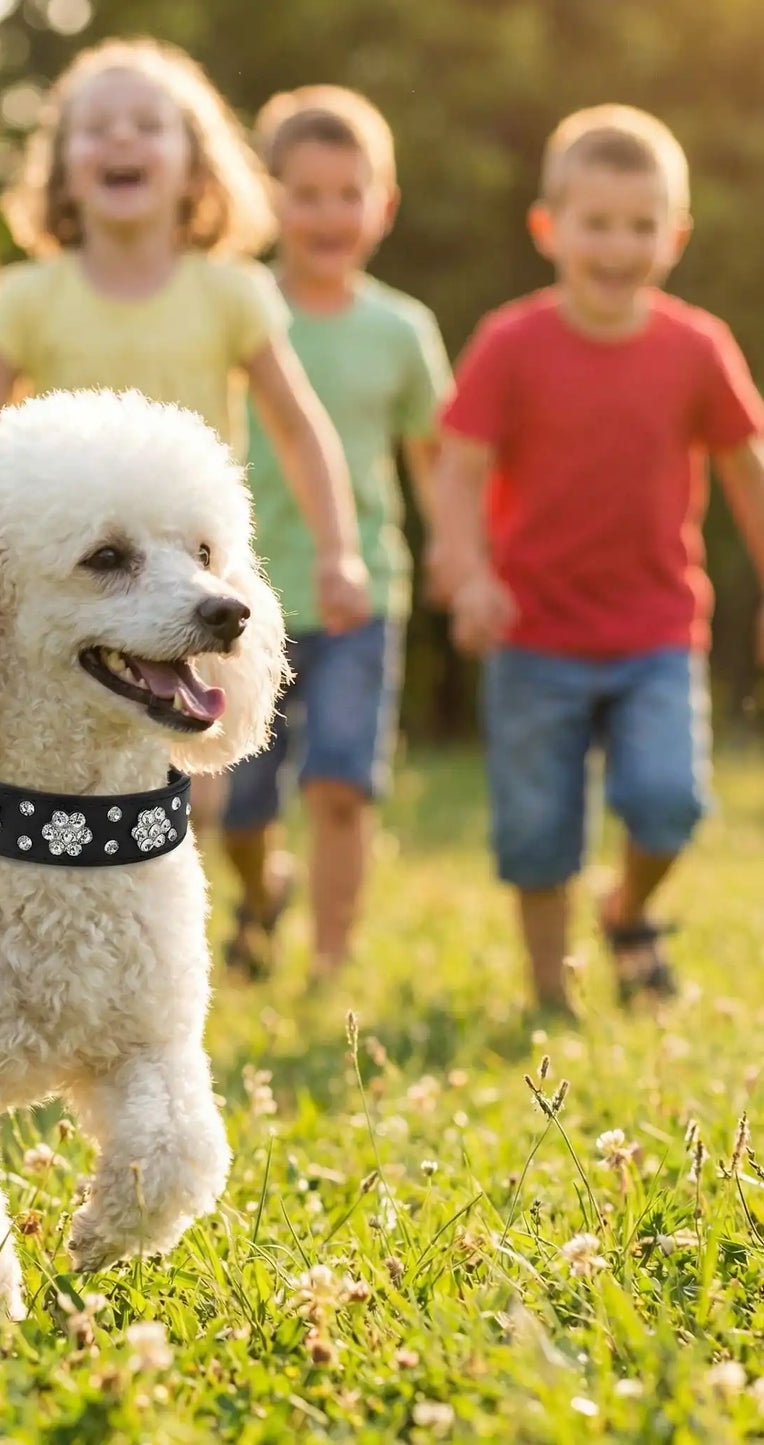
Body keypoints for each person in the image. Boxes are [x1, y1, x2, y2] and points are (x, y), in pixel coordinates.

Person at [430, 105, 764, 1016]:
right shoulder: (511, 343)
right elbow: (457, 471)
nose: (617, 245)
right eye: (596, 223)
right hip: (532, 633)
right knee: (539, 829)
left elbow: (747, 471)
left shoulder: (696, 347)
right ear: (549, 229)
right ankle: (551, 995)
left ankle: (627, 911)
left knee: (669, 801)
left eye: (640, 225)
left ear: (675, 235)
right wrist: (467, 574)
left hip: (654, 629)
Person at [0, 37, 370, 658]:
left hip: (194, 575)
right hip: (84, 586)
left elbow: (298, 428)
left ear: (195, 169)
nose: (122, 138)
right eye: (96, 128)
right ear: (61, 170)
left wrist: (338, 551)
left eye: (148, 126)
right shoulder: (29, 297)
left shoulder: (230, 291)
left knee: (199, 742)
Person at [217, 86, 451, 983]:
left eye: (346, 194)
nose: (326, 214)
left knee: (343, 783)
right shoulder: (242, 311)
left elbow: (432, 457)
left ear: (381, 206)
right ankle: (260, 886)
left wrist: (453, 555)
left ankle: (328, 961)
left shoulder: (402, 329)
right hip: (240, 596)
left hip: (361, 594)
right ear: (266, 199)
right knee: (239, 798)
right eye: (303, 193)